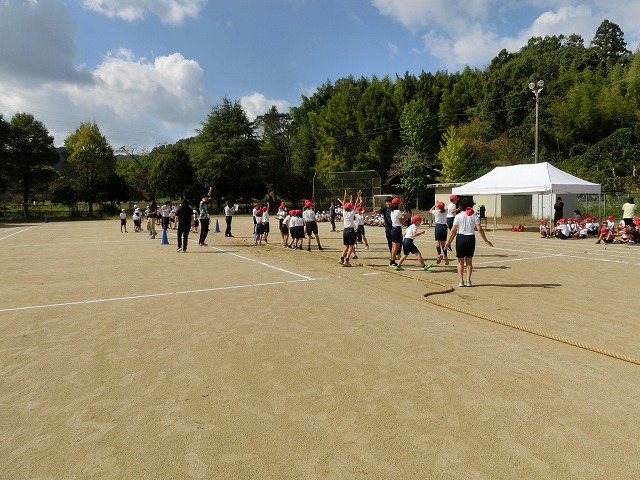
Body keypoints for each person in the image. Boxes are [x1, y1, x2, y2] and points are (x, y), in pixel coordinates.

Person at [444, 199, 493, 287]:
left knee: (460, 262)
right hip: (470, 238)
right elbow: (479, 229)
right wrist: (485, 240)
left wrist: (448, 241)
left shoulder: (458, 216)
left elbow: (453, 230)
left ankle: (461, 281)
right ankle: (468, 281)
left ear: (460, 207)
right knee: (469, 261)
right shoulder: (474, 216)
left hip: (461, 238)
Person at [389, 197, 406, 268]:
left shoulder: (392, 211)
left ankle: (392, 260)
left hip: (394, 229)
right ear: (397, 204)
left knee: (394, 247)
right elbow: (401, 221)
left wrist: (403, 215)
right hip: (397, 229)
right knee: (396, 247)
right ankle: (392, 261)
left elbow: (398, 218)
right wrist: (406, 217)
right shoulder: (398, 211)